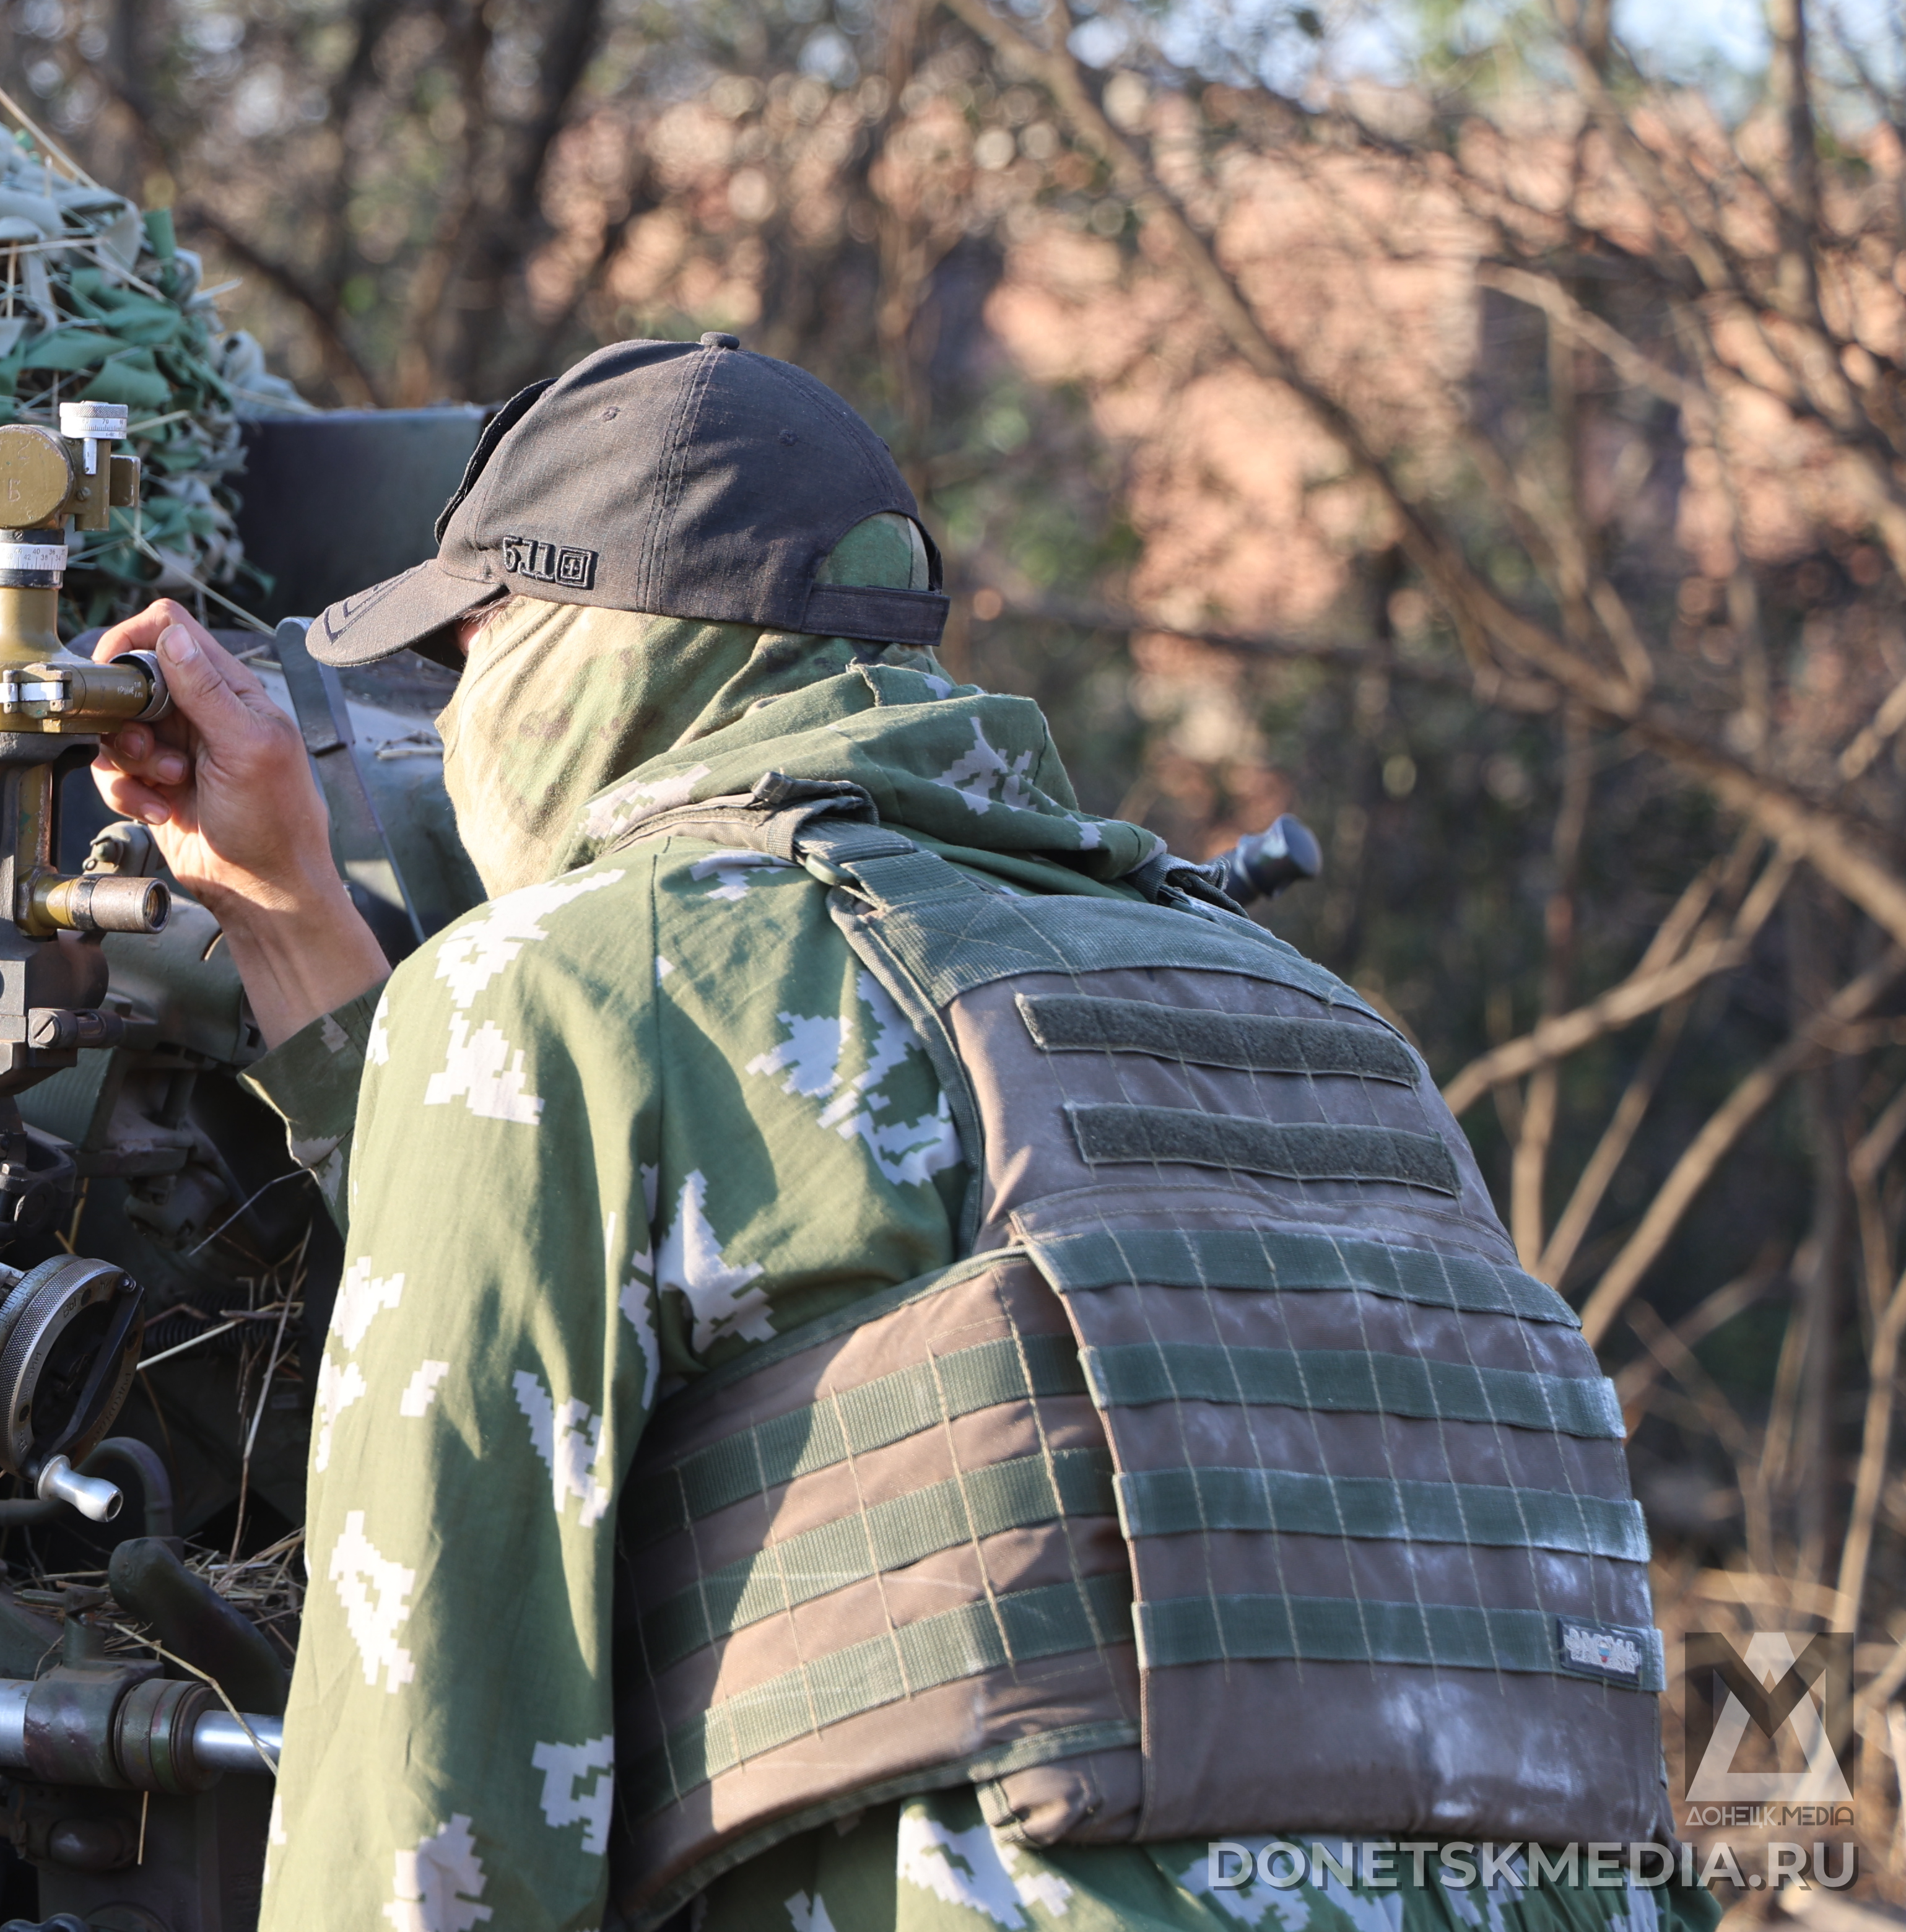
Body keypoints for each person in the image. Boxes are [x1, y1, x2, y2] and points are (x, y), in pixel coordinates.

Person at [88, 336, 1703, 1932]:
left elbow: (424, 1785)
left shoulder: (562, 986)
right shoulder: (1337, 1027)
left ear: (573, 649)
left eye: (461, 663)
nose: (446, 731)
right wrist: (287, 914)